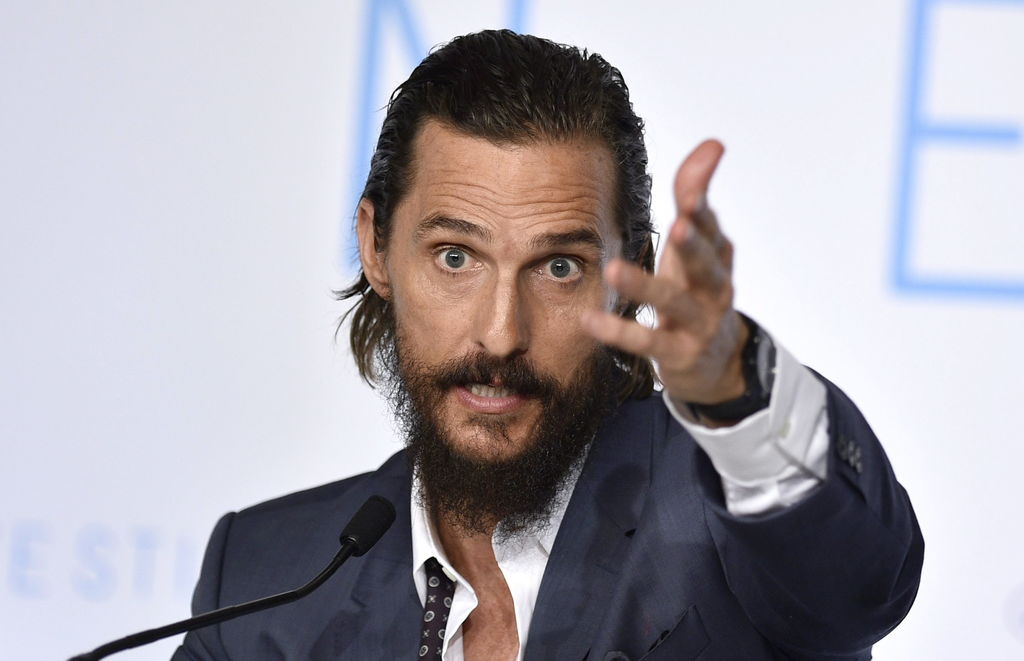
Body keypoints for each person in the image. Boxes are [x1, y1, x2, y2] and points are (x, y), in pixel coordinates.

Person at [173, 30, 922, 661]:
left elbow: (855, 583)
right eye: (456, 257)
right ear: (375, 248)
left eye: (559, 267)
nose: (502, 334)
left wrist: (742, 393)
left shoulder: (719, 514)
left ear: (630, 277)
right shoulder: (263, 583)